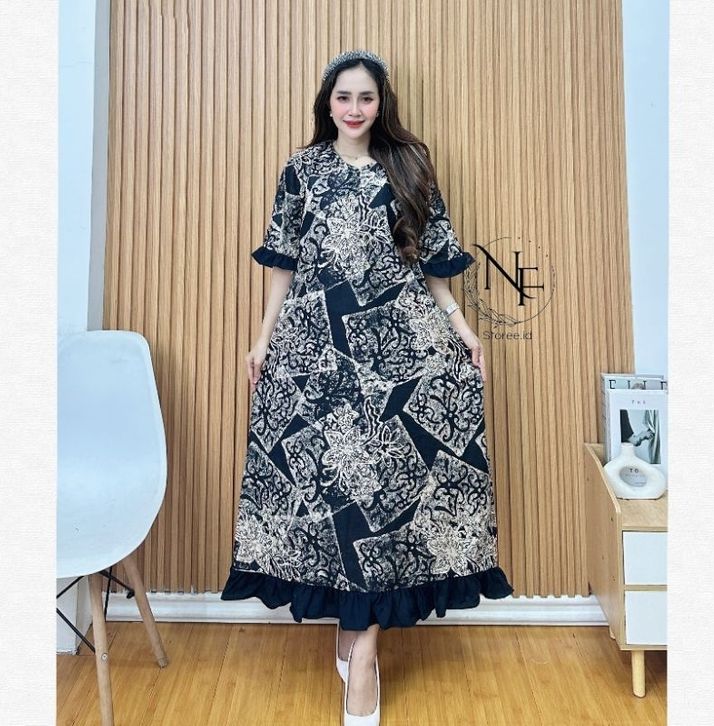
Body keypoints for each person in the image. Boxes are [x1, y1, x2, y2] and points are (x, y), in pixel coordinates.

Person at [220, 49, 514, 725]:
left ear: (382, 105)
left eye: (367, 98)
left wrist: (462, 329)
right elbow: (284, 263)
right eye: (344, 97)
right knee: (336, 497)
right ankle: (353, 637)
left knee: (383, 499)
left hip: (401, 348)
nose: (355, 109)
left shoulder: (409, 166)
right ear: (327, 103)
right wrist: (263, 339)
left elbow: (434, 264)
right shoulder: (301, 170)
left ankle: (362, 657)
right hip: (316, 349)